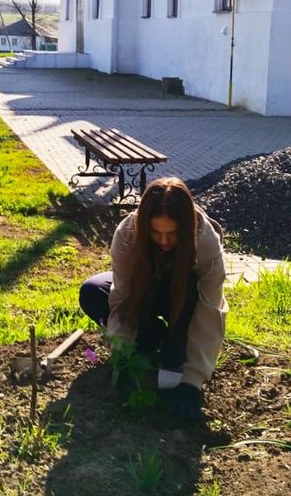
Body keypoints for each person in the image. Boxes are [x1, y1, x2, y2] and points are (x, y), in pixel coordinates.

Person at [79, 177, 228, 420]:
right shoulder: (127, 234)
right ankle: (149, 334)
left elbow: (210, 308)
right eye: (156, 233)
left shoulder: (205, 242)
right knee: (92, 291)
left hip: (183, 302)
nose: (165, 241)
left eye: (173, 233)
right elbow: (121, 299)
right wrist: (124, 357)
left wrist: (193, 380)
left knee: (175, 357)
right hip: (145, 295)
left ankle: (174, 339)